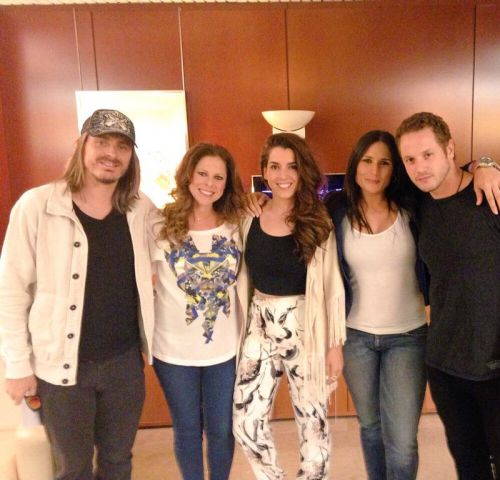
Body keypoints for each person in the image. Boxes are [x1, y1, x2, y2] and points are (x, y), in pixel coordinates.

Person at [323, 130, 500, 480]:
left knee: (401, 441)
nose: (374, 171)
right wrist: (256, 201)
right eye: (367, 161)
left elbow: (452, 174)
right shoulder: (336, 209)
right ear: (354, 164)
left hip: (408, 337)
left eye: (385, 162)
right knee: (370, 427)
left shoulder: (415, 203)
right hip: (355, 337)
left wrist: (485, 165)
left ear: (395, 169)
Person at [396, 112, 500, 480]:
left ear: (450, 150)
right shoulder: (421, 204)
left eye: (428, 154)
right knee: (470, 470)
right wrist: (483, 162)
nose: (419, 167)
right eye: (410, 159)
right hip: (446, 370)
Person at [0, 109, 155, 479]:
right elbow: (11, 289)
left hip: (123, 365)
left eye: (122, 146)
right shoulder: (37, 206)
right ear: (81, 145)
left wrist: (249, 206)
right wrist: (17, 365)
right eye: (101, 142)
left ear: (130, 157)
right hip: (61, 368)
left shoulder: (141, 209)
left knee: (118, 461)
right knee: (73, 468)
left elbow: (186, 230)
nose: (111, 153)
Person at [232, 133, 346, 480]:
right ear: (264, 171)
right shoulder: (249, 216)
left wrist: (334, 344)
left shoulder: (318, 221)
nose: (283, 175)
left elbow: (332, 285)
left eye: (292, 166)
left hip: (305, 325)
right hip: (259, 323)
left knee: (313, 423)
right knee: (246, 421)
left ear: (302, 170)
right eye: (275, 166)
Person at [149, 143, 244, 480]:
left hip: (225, 350)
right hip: (173, 351)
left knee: (222, 429)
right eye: (202, 173)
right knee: (187, 430)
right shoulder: (159, 224)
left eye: (218, 177)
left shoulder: (237, 224)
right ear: (188, 175)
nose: (209, 183)